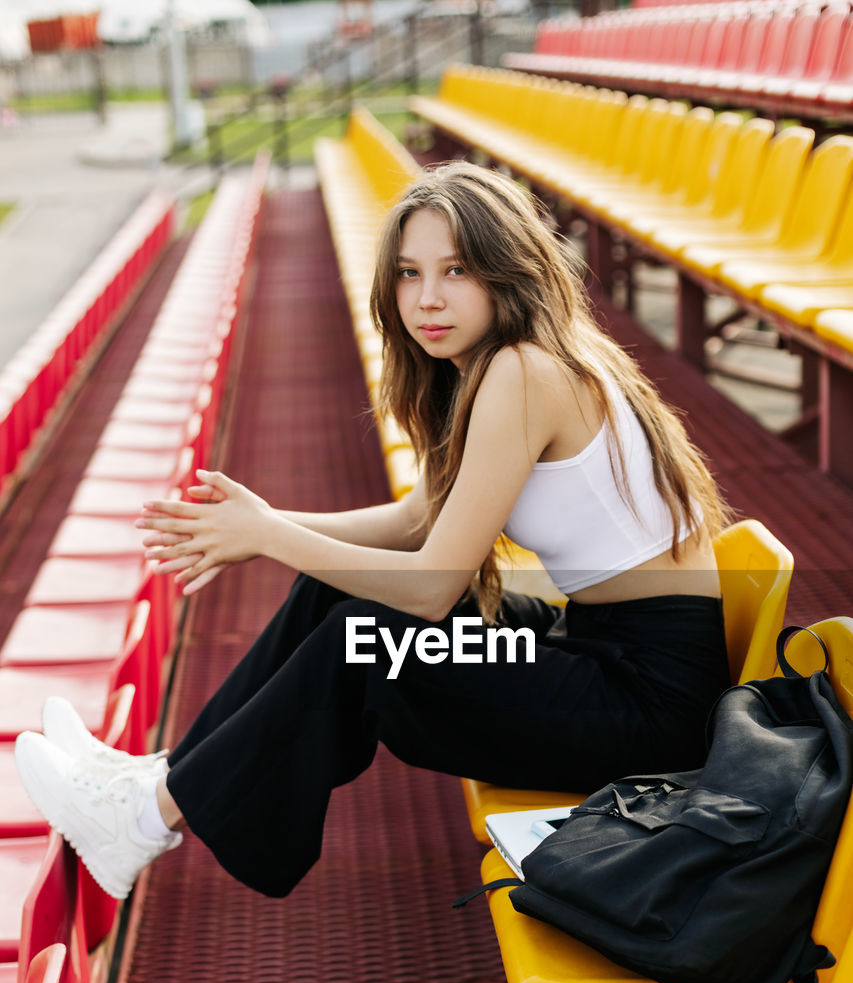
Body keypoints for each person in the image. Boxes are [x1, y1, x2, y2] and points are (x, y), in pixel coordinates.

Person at [15, 161, 732, 902]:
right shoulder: (505, 363)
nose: (426, 298)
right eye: (407, 273)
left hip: (646, 707)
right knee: (335, 589)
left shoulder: (526, 372)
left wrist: (265, 533)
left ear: (506, 270)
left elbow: (429, 590)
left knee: (368, 638)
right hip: (593, 649)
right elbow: (414, 522)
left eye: (455, 270)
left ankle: (140, 821)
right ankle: (162, 780)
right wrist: (256, 524)